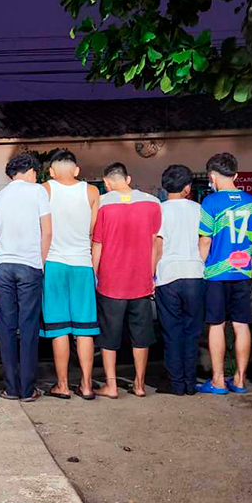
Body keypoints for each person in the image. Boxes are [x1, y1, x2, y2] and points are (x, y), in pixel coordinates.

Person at [196, 154, 252, 395]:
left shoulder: (211, 202)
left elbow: (205, 239)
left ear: (212, 176)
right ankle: (240, 379)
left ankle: (218, 380)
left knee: (216, 324)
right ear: (235, 176)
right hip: (242, 272)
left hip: (216, 273)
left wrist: (202, 265)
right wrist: (250, 265)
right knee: (241, 324)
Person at [92, 162, 161, 399]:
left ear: (107, 183)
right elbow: (155, 243)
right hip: (141, 281)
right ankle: (139, 384)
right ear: (128, 179)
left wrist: (94, 274)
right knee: (141, 335)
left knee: (109, 337)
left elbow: (97, 245)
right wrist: (151, 275)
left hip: (110, 281)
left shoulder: (101, 204)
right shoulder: (153, 203)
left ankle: (111, 386)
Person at [0, 153, 52, 401]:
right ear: (28, 171)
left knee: (6, 327)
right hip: (29, 266)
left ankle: (11, 387)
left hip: (4, 266)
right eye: (35, 172)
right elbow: (46, 231)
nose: (35, 176)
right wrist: (42, 262)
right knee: (28, 327)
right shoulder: (37, 192)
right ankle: (27, 389)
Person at [40, 149, 100, 400]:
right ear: (77, 170)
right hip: (83, 263)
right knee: (84, 329)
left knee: (59, 328)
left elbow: (41, 229)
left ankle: (62, 385)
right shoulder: (92, 192)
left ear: (51, 171)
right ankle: (86, 385)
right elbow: (93, 232)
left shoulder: (45, 189)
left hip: (53, 263)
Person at [152, 164, 205, 396]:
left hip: (168, 276)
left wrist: (151, 274)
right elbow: (205, 242)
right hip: (195, 275)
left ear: (165, 187)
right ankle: (190, 383)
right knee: (192, 332)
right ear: (187, 188)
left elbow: (157, 246)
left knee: (172, 332)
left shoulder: (159, 210)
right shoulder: (199, 209)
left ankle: (176, 384)